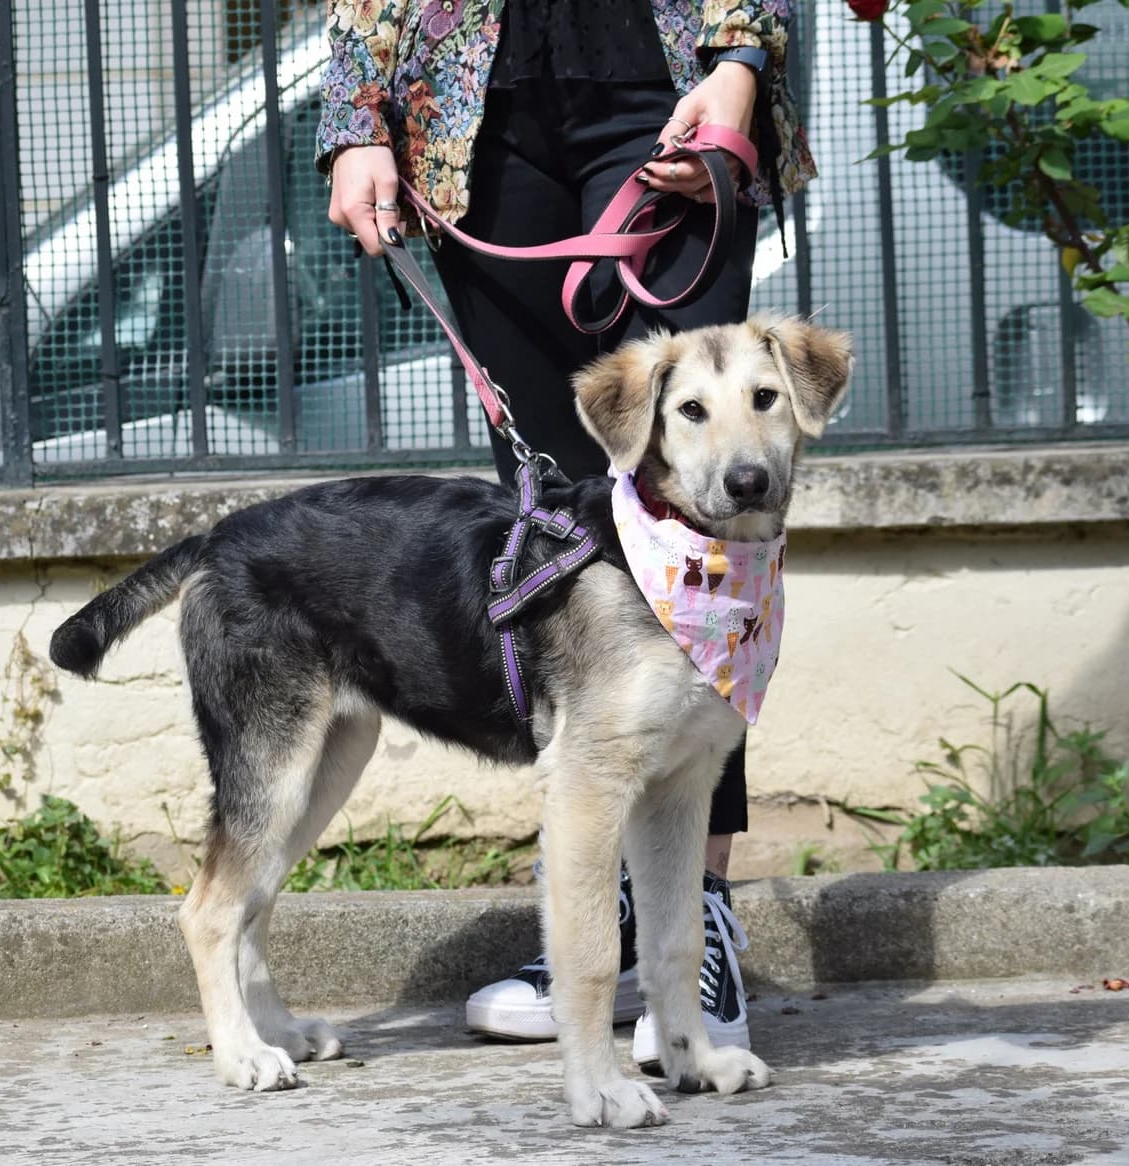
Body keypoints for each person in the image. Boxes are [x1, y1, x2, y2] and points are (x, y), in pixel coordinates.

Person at [317, 0, 815, 1068]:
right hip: (473, 101)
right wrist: (358, 115)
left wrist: (739, 61)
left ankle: (693, 930)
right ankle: (599, 927)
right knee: (554, 519)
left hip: (664, 78)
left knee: (706, 520)